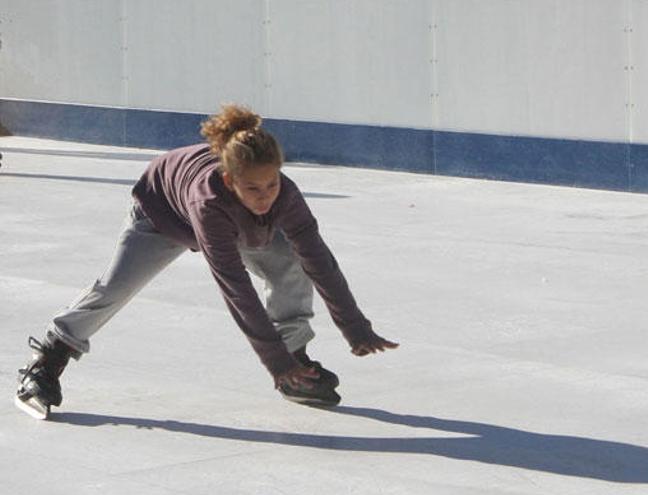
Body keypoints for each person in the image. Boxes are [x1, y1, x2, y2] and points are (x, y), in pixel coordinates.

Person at [15, 104, 398, 419]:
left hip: (241, 223)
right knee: (116, 287)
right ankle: (49, 356)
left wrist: (356, 328)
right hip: (161, 213)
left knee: (290, 261)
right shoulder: (209, 202)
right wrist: (274, 366)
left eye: (272, 184)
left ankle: (295, 354)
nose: (265, 196)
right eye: (253, 188)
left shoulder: (285, 195)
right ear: (230, 181)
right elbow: (236, 288)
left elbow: (319, 259)